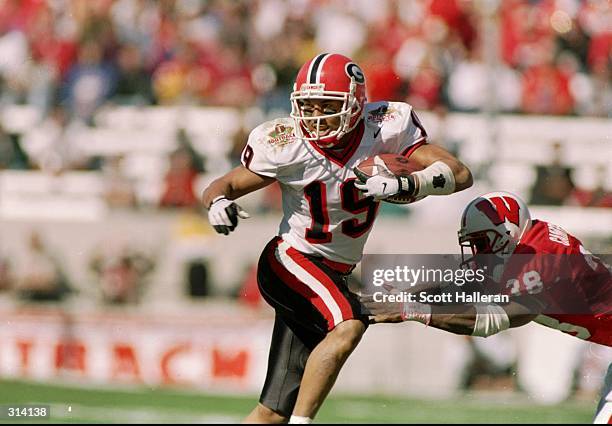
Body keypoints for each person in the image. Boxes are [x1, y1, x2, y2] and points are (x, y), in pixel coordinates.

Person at [202, 53, 473, 424]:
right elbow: (228, 182)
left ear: (357, 104)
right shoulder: (286, 142)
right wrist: (216, 201)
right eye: (307, 105)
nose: (314, 115)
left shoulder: (386, 129)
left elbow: (459, 173)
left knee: (271, 413)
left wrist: (406, 182)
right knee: (348, 326)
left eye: (326, 106)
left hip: (333, 273)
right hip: (291, 261)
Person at [364, 191, 611, 423]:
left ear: (509, 231)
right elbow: (460, 287)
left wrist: (413, 310)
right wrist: (401, 297)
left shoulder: (543, 257)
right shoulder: (523, 245)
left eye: (482, 242)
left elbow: (493, 320)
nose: (478, 252)